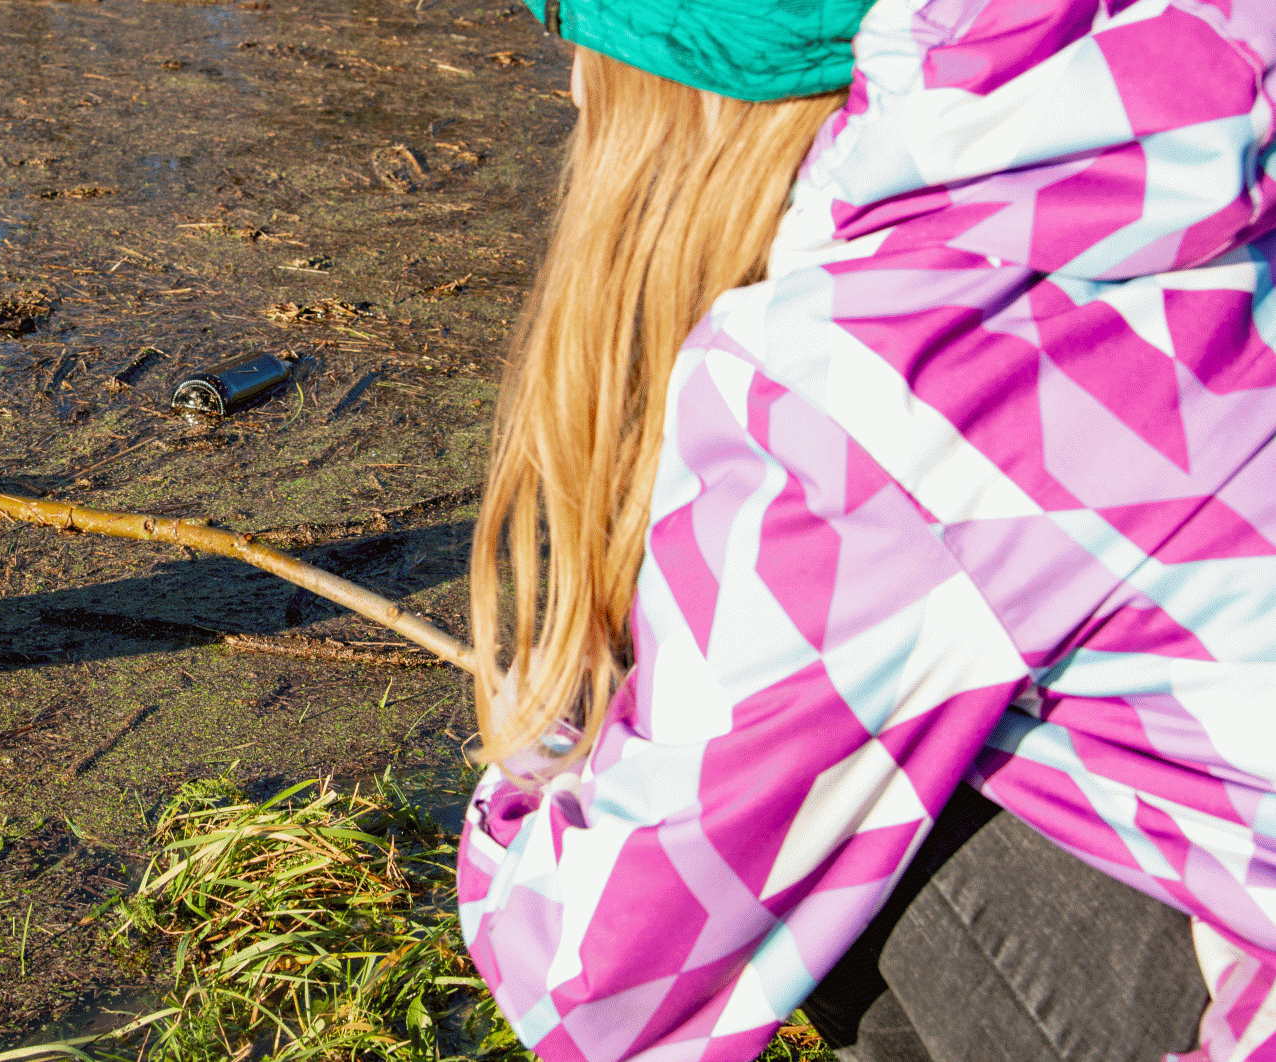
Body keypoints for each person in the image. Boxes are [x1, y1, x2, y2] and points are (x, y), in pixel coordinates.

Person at [457, 0, 1276, 1058]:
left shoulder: (874, 372)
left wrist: (535, 781)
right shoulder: (1196, 140)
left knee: (820, 831)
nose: (571, 86)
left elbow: (594, 985)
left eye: (589, 36)